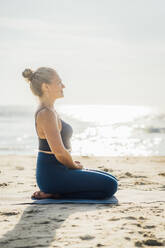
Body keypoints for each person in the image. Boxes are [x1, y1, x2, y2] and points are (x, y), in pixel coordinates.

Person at [22, 67, 118, 200]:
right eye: (59, 83)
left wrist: (71, 165)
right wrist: (73, 166)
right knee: (110, 185)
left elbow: (61, 152)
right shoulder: (46, 113)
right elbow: (59, 152)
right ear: (46, 87)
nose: (64, 86)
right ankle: (56, 193)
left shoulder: (50, 110)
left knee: (111, 178)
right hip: (53, 176)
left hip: (60, 170)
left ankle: (57, 192)